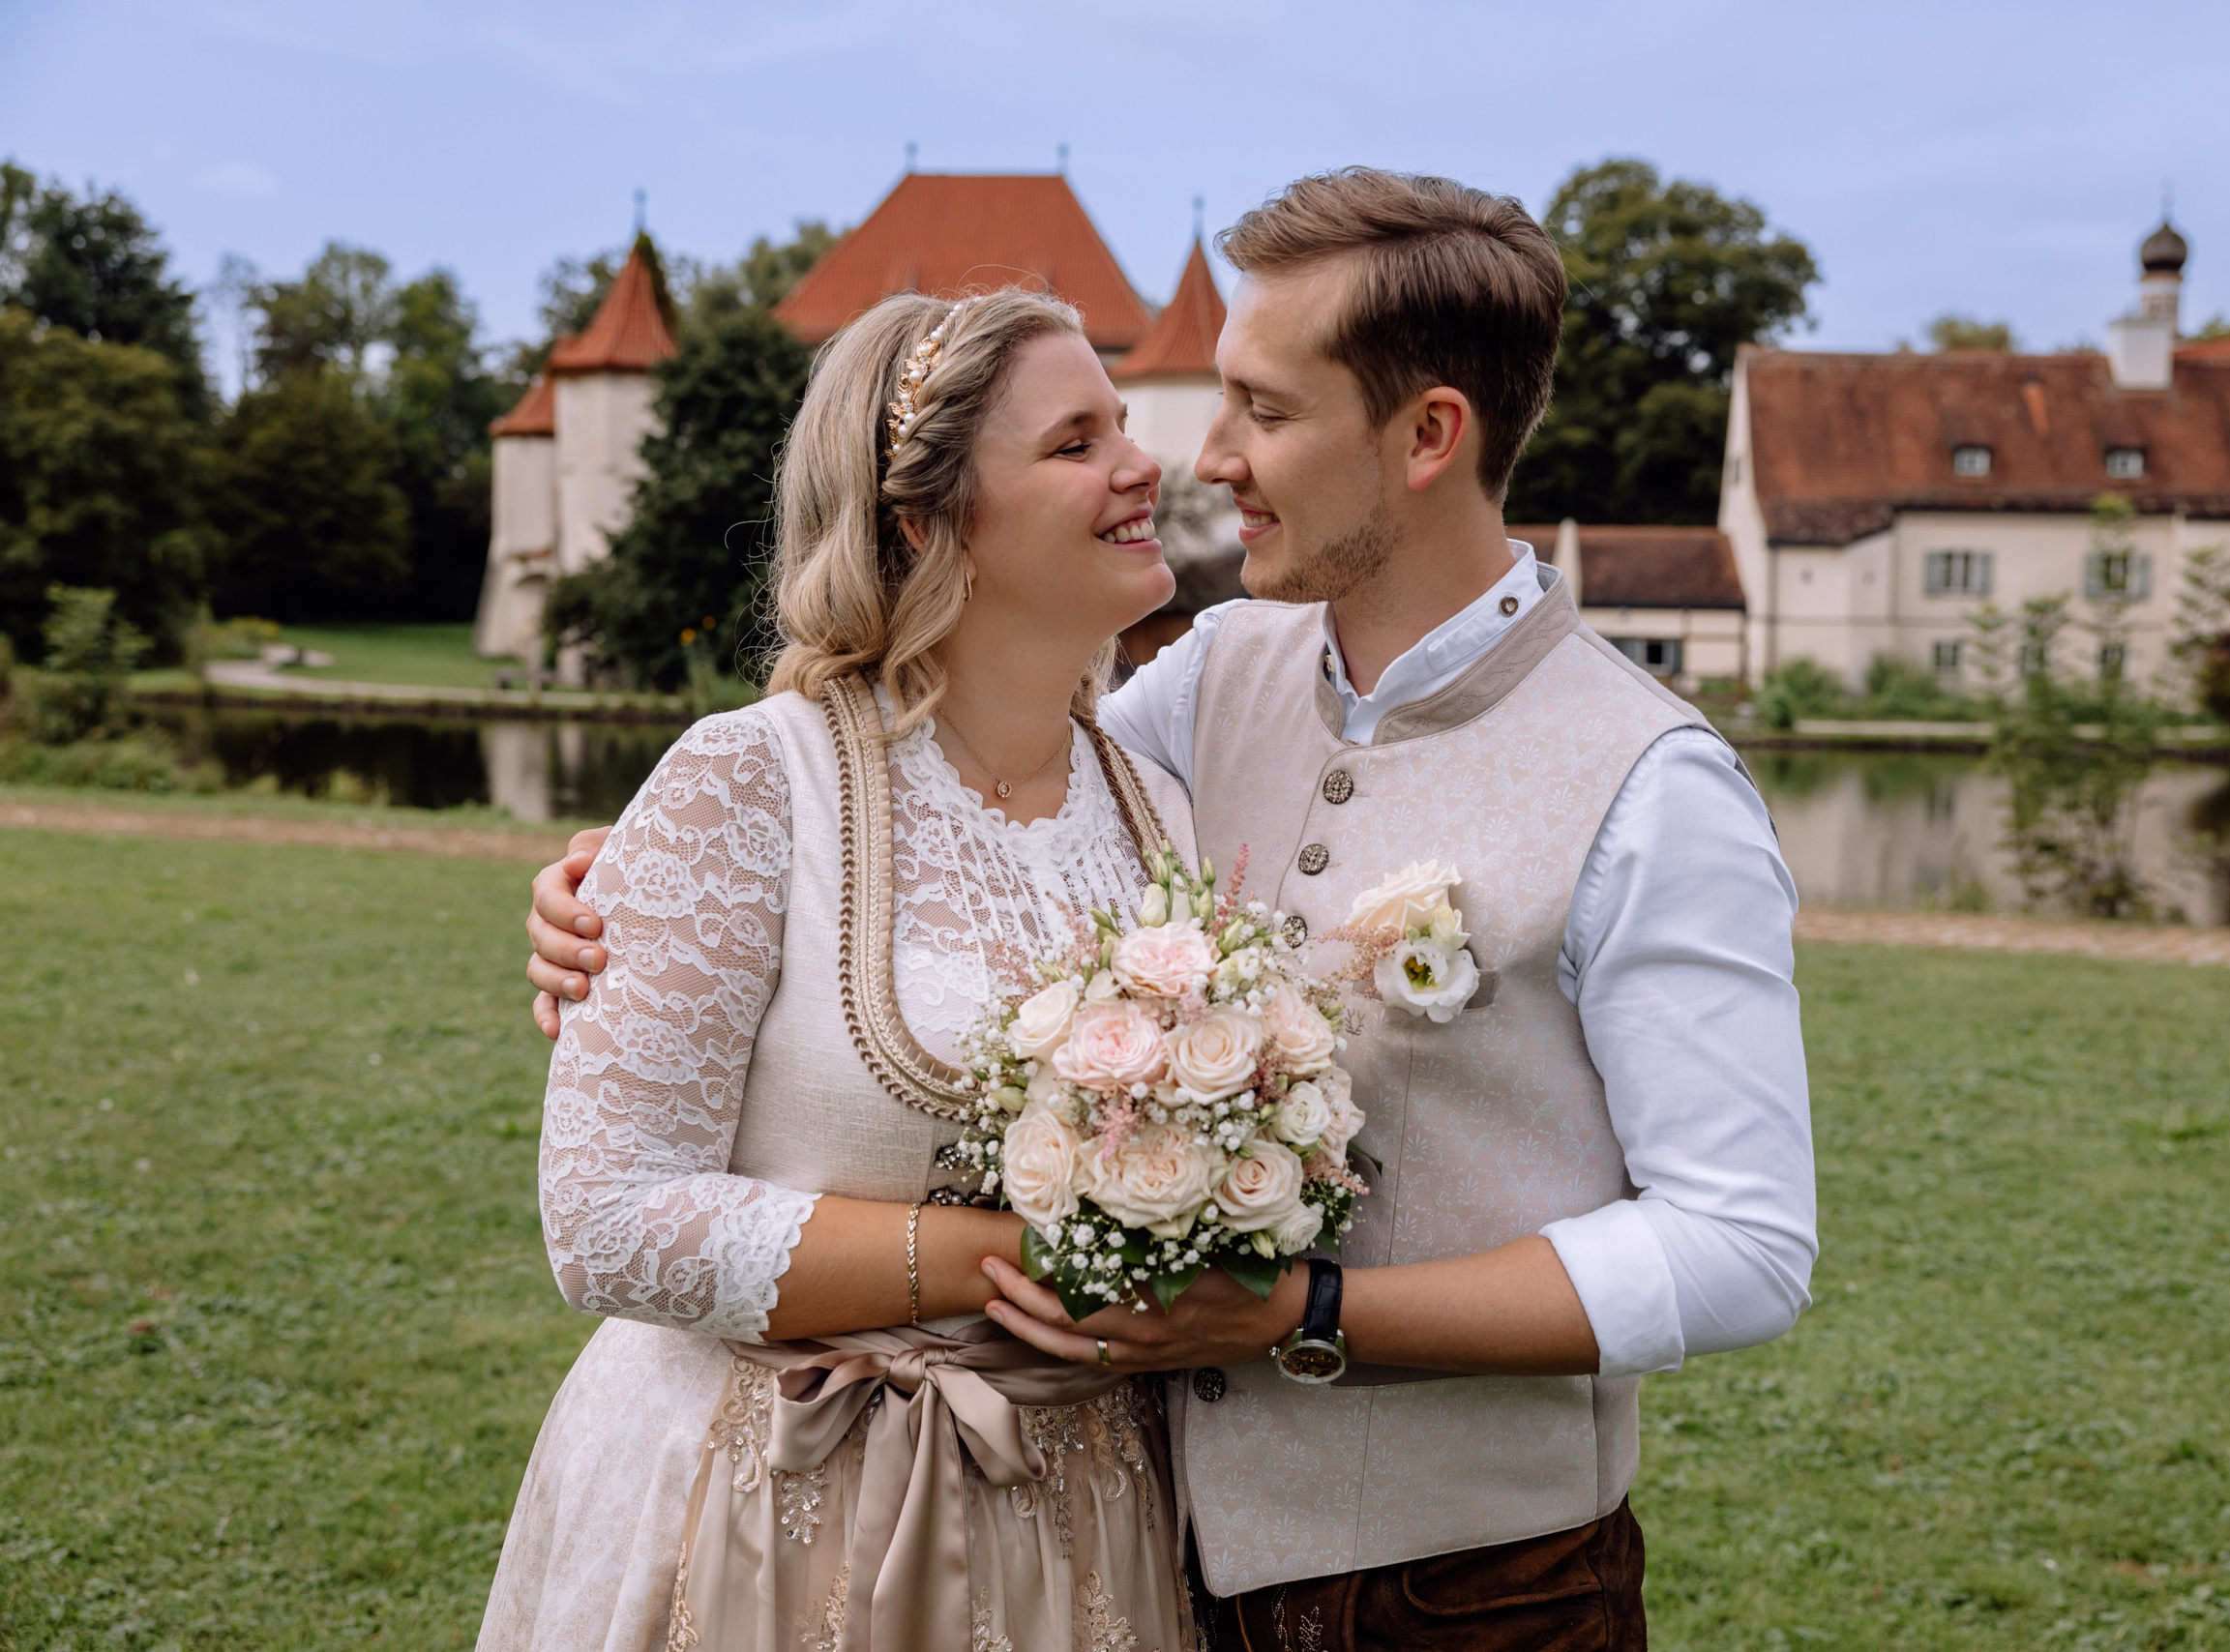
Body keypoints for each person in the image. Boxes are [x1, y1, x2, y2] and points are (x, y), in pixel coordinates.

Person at [530, 169, 1817, 1651]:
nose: (1204, 458)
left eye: (1264, 412)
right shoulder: (1203, 690)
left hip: (1477, 1590)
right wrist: (620, 885)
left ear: (1427, 436)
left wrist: (1315, 1309)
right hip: (1149, 1559)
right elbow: (951, 793)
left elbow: (1742, 1247)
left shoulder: (1655, 784)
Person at [481, 286, 1202, 1652]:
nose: (1141, 459)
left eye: (1123, 424)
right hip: (763, 1503)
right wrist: (1023, 1258)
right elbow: (606, 1220)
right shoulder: (753, 780)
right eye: (1074, 442)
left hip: (1084, 1525)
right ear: (928, 522)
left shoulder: (1162, 811)